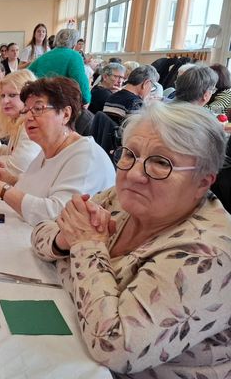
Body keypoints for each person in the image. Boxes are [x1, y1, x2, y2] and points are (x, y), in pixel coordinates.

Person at [32, 101, 230, 379]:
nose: (135, 174)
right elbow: (41, 233)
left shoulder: (210, 253)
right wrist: (66, 240)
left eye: (161, 163)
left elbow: (114, 346)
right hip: (74, 345)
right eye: (130, 155)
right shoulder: (122, 199)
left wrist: (84, 246)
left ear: (202, 182)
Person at [0, 77, 114, 226]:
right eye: (27, 110)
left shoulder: (85, 156)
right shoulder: (50, 148)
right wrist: (11, 180)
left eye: (38, 108)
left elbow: (58, 215)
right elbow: (37, 190)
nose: (29, 117)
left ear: (65, 114)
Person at [0, 70, 41, 175]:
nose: (5, 101)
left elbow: (19, 166)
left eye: (12, 95)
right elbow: (14, 152)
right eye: (3, 96)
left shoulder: (31, 124)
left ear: (29, 97)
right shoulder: (19, 121)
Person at [29, 29, 91, 105]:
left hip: (40, 102)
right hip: (61, 104)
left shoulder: (44, 56)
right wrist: (86, 100)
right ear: (74, 43)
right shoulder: (74, 56)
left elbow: (25, 75)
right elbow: (82, 87)